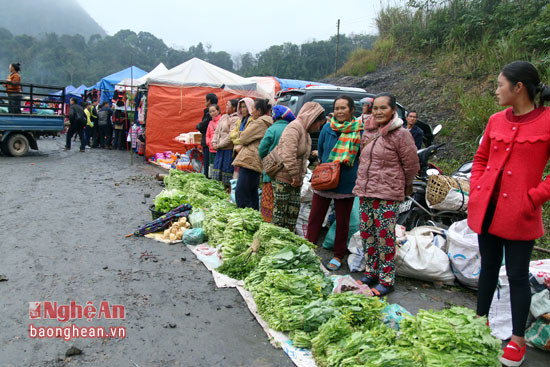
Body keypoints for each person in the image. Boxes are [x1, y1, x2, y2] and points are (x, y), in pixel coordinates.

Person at [468, 61, 550, 367]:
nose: (496, 91)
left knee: (516, 276)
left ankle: (517, 340)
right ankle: (480, 322)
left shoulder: (547, 120)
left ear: (519, 88)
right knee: (488, 268)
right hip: (487, 208)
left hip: (521, 213)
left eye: (500, 85)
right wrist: (477, 186)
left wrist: (535, 197)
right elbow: (480, 157)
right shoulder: (495, 120)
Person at [353, 93, 419, 296]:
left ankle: (387, 278)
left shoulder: (401, 134)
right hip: (366, 191)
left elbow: (411, 165)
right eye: (376, 108)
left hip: (387, 193)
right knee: (367, 234)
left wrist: (405, 185)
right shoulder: (368, 130)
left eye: (384, 108)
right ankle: (371, 270)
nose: (379, 112)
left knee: (384, 237)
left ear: (393, 111)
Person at [306, 95, 363, 271]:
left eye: (343, 108)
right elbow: (322, 151)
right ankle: (308, 250)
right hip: (325, 179)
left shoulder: (359, 130)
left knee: (342, 221)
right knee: (315, 217)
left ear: (352, 110)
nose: (339, 112)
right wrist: (329, 169)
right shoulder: (327, 128)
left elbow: (361, 156)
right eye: (336, 108)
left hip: (346, 182)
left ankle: (338, 255)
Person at [271, 103, 326, 231]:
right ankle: (273, 243)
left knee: (292, 214)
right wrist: (295, 175)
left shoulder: (305, 131)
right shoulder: (294, 128)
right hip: (284, 178)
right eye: (319, 123)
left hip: (295, 179)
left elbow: (302, 157)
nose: (319, 127)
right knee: (280, 214)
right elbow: (288, 154)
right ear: (312, 118)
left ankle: (287, 241)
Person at [232, 98, 273, 210]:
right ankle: (253, 213)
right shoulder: (266, 122)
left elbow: (244, 137)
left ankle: (245, 215)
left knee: (242, 192)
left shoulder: (260, 122)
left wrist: (241, 136)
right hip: (254, 160)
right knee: (251, 191)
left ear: (259, 111)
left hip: (250, 160)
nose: (251, 112)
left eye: (253, 109)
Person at [258, 105, 297, 222]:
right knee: (284, 205)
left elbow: (262, 149)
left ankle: (268, 225)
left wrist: (266, 159)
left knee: (269, 203)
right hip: (288, 173)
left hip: (272, 172)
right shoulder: (292, 128)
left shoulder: (272, 129)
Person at [212, 99, 239, 190]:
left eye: (228, 105)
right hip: (219, 149)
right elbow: (216, 131)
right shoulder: (223, 117)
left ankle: (227, 192)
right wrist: (214, 142)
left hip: (228, 150)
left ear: (234, 108)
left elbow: (231, 136)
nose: (226, 107)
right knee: (217, 173)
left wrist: (219, 145)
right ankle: (219, 191)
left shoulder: (236, 119)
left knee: (227, 172)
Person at [230, 98, 254, 179]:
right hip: (238, 151)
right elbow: (232, 134)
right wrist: (239, 138)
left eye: (245, 107)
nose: (242, 109)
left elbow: (247, 136)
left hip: (246, 152)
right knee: (236, 175)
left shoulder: (252, 121)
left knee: (244, 177)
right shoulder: (240, 121)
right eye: (241, 107)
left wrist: (239, 138)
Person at [196, 93, 218, 178]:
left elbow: (202, 126)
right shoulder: (209, 113)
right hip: (210, 142)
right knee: (209, 164)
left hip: (209, 144)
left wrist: (198, 126)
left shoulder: (209, 114)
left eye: (205, 100)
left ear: (209, 101)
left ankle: (208, 178)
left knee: (208, 164)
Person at [205, 104, 221, 178]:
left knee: (218, 167)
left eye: (214, 111)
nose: (212, 113)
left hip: (219, 148)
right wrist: (208, 142)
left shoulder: (221, 121)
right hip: (211, 149)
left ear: (218, 111)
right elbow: (207, 135)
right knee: (211, 166)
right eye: (210, 112)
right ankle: (212, 180)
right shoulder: (210, 123)